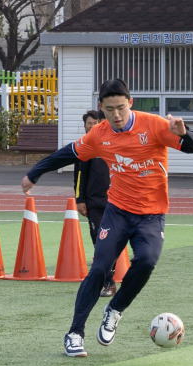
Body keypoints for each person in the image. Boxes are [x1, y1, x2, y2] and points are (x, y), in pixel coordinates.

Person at [21, 79, 193, 357]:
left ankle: (115, 310)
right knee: (99, 268)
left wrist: (186, 132)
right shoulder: (99, 134)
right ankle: (74, 334)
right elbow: (68, 153)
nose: (116, 115)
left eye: (121, 108)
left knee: (147, 261)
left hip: (152, 216)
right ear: (101, 108)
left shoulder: (153, 125)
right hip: (117, 211)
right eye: (109, 110)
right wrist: (35, 172)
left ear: (131, 103)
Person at [73, 110, 117, 297]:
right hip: (93, 203)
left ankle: (109, 281)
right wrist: (80, 200)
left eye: (94, 122)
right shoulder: (84, 147)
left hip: (115, 201)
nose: (91, 126)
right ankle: (108, 281)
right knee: (99, 241)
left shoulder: (113, 142)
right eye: (88, 123)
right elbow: (79, 177)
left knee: (112, 242)